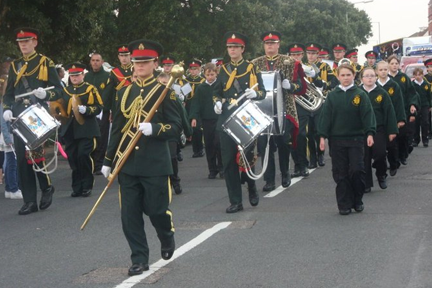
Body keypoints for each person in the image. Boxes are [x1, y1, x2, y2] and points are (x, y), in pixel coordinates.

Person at [101, 39, 181, 276]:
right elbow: (116, 129)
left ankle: (166, 236)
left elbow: (177, 127)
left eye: (145, 62)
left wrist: (155, 129)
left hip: (155, 163)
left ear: (155, 63)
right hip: (127, 163)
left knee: (157, 211)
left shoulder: (165, 92)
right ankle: (139, 258)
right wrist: (107, 160)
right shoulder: (124, 92)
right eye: (137, 62)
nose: (140, 66)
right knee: (129, 216)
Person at [2, 27, 60, 215]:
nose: (23, 45)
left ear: (35, 42)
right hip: (19, 114)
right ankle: (29, 201)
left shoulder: (45, 62)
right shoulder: (16, 65)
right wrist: (7, 109)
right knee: (21, 158)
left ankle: (46, 187)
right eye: (20, 42)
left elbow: (59, 90)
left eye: (27, 41)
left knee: (36, 153)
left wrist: (47, 93)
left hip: (37, 112)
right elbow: (9, 93)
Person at [213, 31, 266, 213]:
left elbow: (263, 93)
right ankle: (236, 201)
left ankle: (251, 186)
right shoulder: (224, 69)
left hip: (246, 117)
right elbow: (217, 92)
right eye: (229, 47)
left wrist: (255, 94)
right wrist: (217, 103)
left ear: (242, 48)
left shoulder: (251, 68)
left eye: (235, 47)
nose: (232, 50)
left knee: (247, 158)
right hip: (226, 118)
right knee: (228, 162)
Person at [318, 64, 376, 215]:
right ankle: (344, 203)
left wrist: (370, 133)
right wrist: (322, 136)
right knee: (341, 172)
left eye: (348, 75)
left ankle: (358, 199)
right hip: (337, 140)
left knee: (357, 170)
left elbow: (368, 115)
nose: (345, 78)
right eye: (342, 75)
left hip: (356, 139)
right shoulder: (332, 95)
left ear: (353, 76)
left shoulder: (360, 94)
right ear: (338, 77)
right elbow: (326, 118)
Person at [251, 31, 305, 191]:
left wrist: (292, 86)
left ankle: (285, 173)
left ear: (278, 44)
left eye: (273, 43)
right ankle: (269, 180)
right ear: (264, 45)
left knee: (283, 143)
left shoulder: (290, 62)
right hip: (262, 110)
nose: (270, 45)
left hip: (284, 109)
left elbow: (302, 86)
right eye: (267, 43)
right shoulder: (254, 64)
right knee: (264, 145)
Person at [60, 63, 103, 197]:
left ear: (82, 75)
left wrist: (88, 110)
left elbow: (99, 106)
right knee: (73, 158)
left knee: (83, 155)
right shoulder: (66, 90)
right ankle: (77, 187)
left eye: (77, 75)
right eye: (72, 75)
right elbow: (60, 107)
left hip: (86, 129)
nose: (74, 78)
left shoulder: (90, 89)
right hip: (70, 129)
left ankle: (87, 185)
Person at [360, 67, 398, 192]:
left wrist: (392, 130)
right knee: (364, 157)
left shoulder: (382, 93)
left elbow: (390, 112)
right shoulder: (358, 92)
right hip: (362, 130)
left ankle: (381, 175)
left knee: (380, 154)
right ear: (362, 79)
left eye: (372, 75)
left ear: (376, 77)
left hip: (378, 129)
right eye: (367, 76)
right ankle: (366, 183)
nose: (370, 78)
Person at [157, 72, 192, 195]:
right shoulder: (152, 97)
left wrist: (188, 131)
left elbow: (182, 114)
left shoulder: (173, 97)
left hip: (171, 132)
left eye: (165, 83)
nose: (162, 86)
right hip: (157, 132)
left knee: (172, 157)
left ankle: (175, 181)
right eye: (160, 83)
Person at [189, 62, 223, 179]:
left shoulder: (220, 85)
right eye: (208, 75)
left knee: (219, 143)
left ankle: (222, 167)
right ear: (204, 75)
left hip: (219, 118)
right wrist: (194, 117)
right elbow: (196, 103)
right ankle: (212, 169)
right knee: (209, 145)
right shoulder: (201, 88)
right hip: (207, 119)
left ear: (216, 74)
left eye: (212, 74)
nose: (210, 77)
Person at [375, 61, 407, 176]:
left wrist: (400, 119)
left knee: (392, 145)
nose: (383, 72)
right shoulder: (374, 86)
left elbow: (399, 104)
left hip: (391, 119)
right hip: (378, 121)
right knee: (380, 148)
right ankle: (382, 169)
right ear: (376, 71)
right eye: (381, 70)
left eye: (385, 70)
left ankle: (394, 163)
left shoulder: (394, 85)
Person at [84, 52, 110, 175]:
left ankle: (99, 164)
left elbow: (109, 94)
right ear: (90, 62)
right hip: (88, 112)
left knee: (102, 137)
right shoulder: (86, 77)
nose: (95, 62)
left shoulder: (107, 76)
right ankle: (91, 163)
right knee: (90, 137)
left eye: (97, 60)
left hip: (102, 111)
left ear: (102, 62)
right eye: (93, 60)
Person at [287, 43, 310, 178]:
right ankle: (297, 165)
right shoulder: (284, 68)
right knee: (291, 137)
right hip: (289, 105)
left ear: (302, 55)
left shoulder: (306, 68)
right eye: (293, 55)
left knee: (301, 135)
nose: (296, 57)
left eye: (298, 54)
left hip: (302, 106)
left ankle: (304, 164)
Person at [102, 45, 133, 119]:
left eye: (126, 55)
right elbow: (109, 92)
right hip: (118, 105)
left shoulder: (136, 70)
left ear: (130, 56)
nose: (124, 58)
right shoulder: (114, 72)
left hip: (133, 104)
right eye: (121, 56)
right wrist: (109, 110)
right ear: (119, 57)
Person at [184, 59, 205, 158]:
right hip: (188, 105)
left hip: (198, 106)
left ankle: (199, 149)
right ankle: (194, 149)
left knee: (197, 128)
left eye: (195, 69)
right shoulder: (186, 80)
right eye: (191, 69)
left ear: (199, 69)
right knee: (190, 128)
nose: (193, 71)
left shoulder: (202, 80)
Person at [0, 102, 22, 199]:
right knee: (12, 163)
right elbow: (3, 123)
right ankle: (13, 189)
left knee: (9, 163)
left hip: (9, 135)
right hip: (9, 135)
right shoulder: (4, 104)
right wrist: (7, 138)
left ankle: (9, 189)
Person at [412, 67, 431, 147]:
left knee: (425, 122)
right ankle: (416, 140)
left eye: (419, 75)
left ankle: (425, 139)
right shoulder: (412, 84)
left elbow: (429, 96)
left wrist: (430, 106)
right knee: (416, 123)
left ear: (423, 75)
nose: (418, 77)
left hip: (425, 105)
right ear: (414, 76)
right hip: (416, 106)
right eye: (416, 75)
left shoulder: (426, 84)